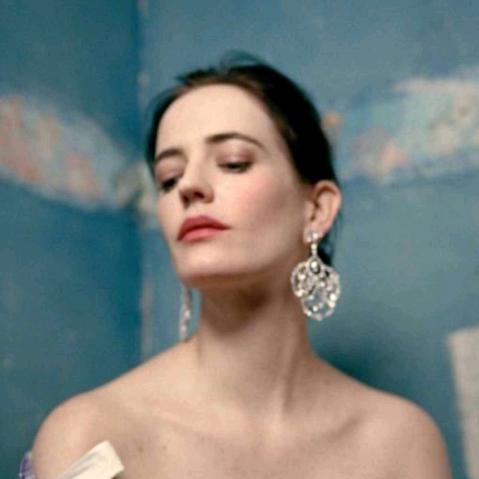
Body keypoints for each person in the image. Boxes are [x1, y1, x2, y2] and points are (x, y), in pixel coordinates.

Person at [24, 54, 452, 478]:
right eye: (169, 178)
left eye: (234, 163)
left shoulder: (402, 444)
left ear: (317, 209)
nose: (189, 186)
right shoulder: (93, 434)